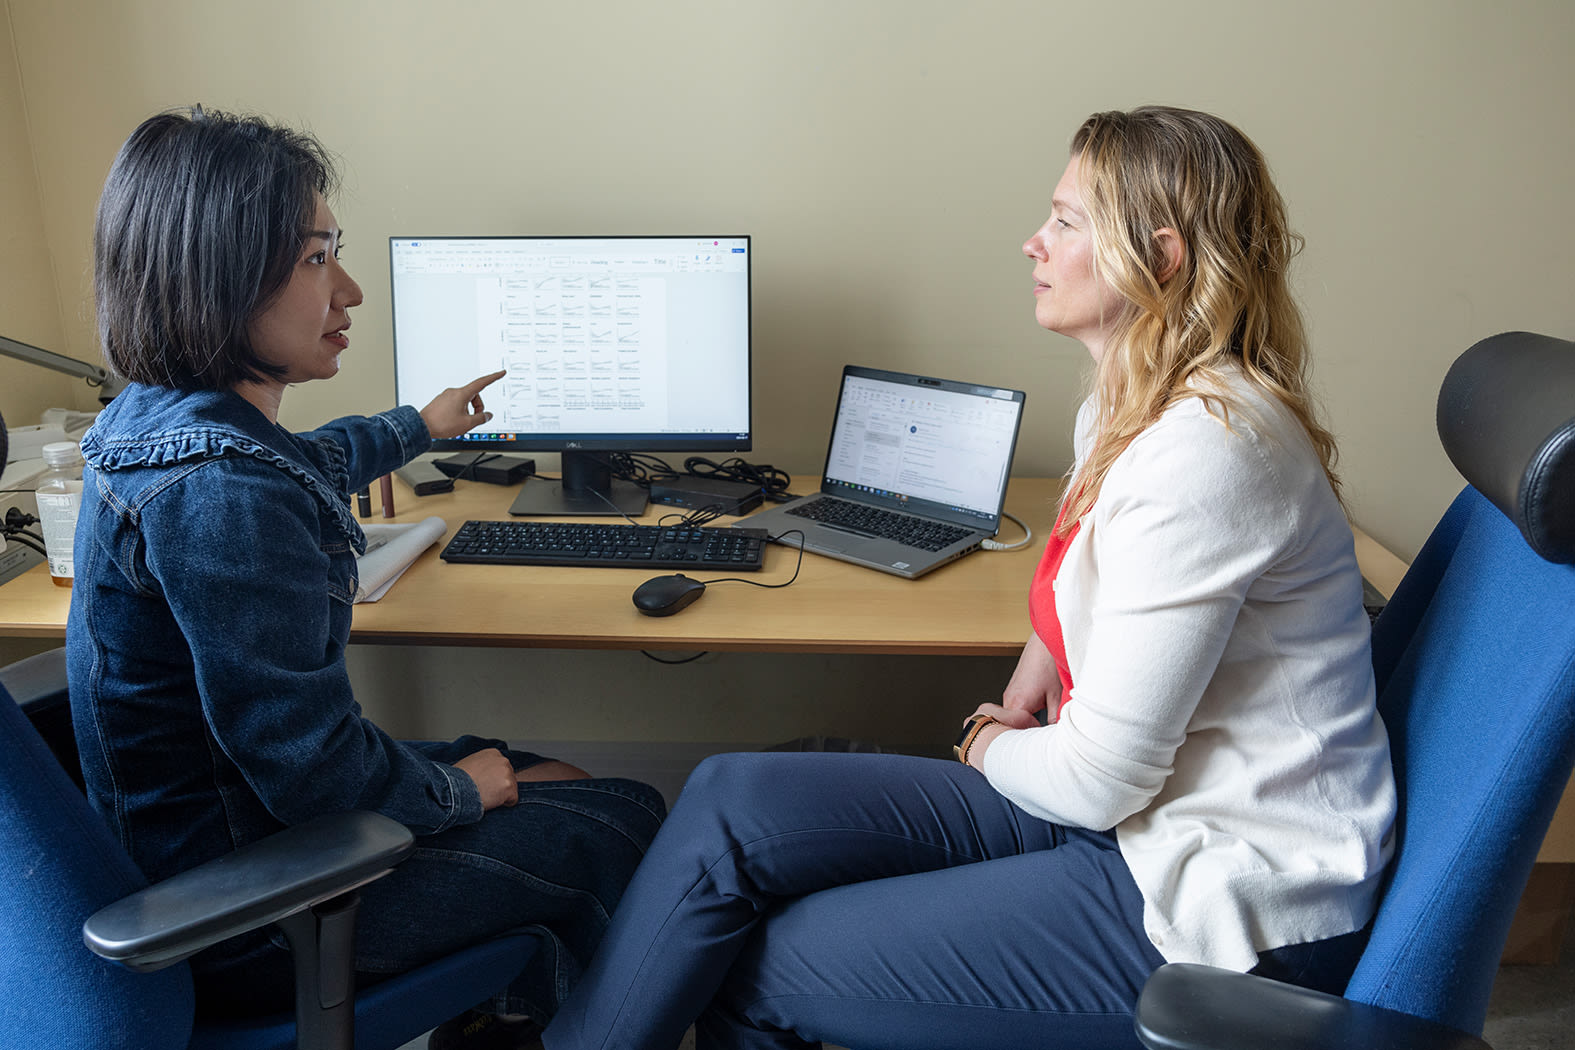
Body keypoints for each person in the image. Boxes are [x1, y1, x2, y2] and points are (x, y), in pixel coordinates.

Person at [540, 105, 1397, 1050]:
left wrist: (984, 743)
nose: (1032, 242)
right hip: (1136, 820)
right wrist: (1042, 657)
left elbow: (1101, 779)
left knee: (756, 964)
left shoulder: (1207, 452)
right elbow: (1098, 570)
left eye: (1068, 222)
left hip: (1211, 901)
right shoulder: (1133, 399)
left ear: (1158, 258)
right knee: (729, 798)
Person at [67, 106, 666, 1049]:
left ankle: (509, 1007)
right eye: (315, 259)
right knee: (622, 816)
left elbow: (294, 460)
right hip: (257, 908)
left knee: (552, 775)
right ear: (218, 277)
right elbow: (312, 768)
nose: (346, 290)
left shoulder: (162, 423)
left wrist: (417, 426)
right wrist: (460, 794)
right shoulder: (221, 490)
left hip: (221, 839)